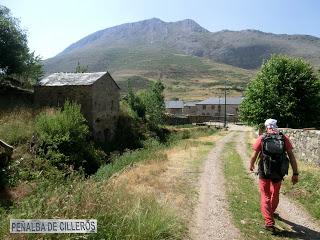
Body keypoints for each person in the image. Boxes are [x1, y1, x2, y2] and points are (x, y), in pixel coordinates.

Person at [249, 118, 299, 232]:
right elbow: (291, 157)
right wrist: (295, 173)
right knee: (275, 193)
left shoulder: (262, 138)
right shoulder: (283, 138)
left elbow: (254, 155)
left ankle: (269, 222)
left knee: (265, 195)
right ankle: (270, 213)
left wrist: (251, 165)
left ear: (266, 127)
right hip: (279, 171)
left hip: (264, 170)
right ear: (276, 126)